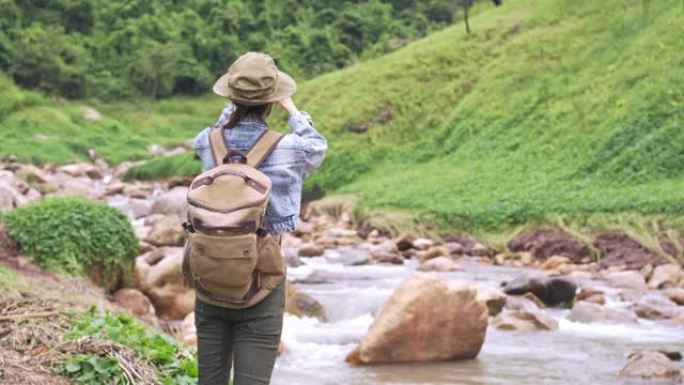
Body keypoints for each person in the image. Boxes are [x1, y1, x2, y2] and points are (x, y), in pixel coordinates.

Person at [191, 52, 327, 385]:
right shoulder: (289, 148)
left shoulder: (206, 142)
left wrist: (232, 108)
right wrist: (292, 108)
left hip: (208, 278)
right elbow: (317, 146)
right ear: (273, 100)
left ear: (230, 97)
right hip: (261, 284)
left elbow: (219, 129)